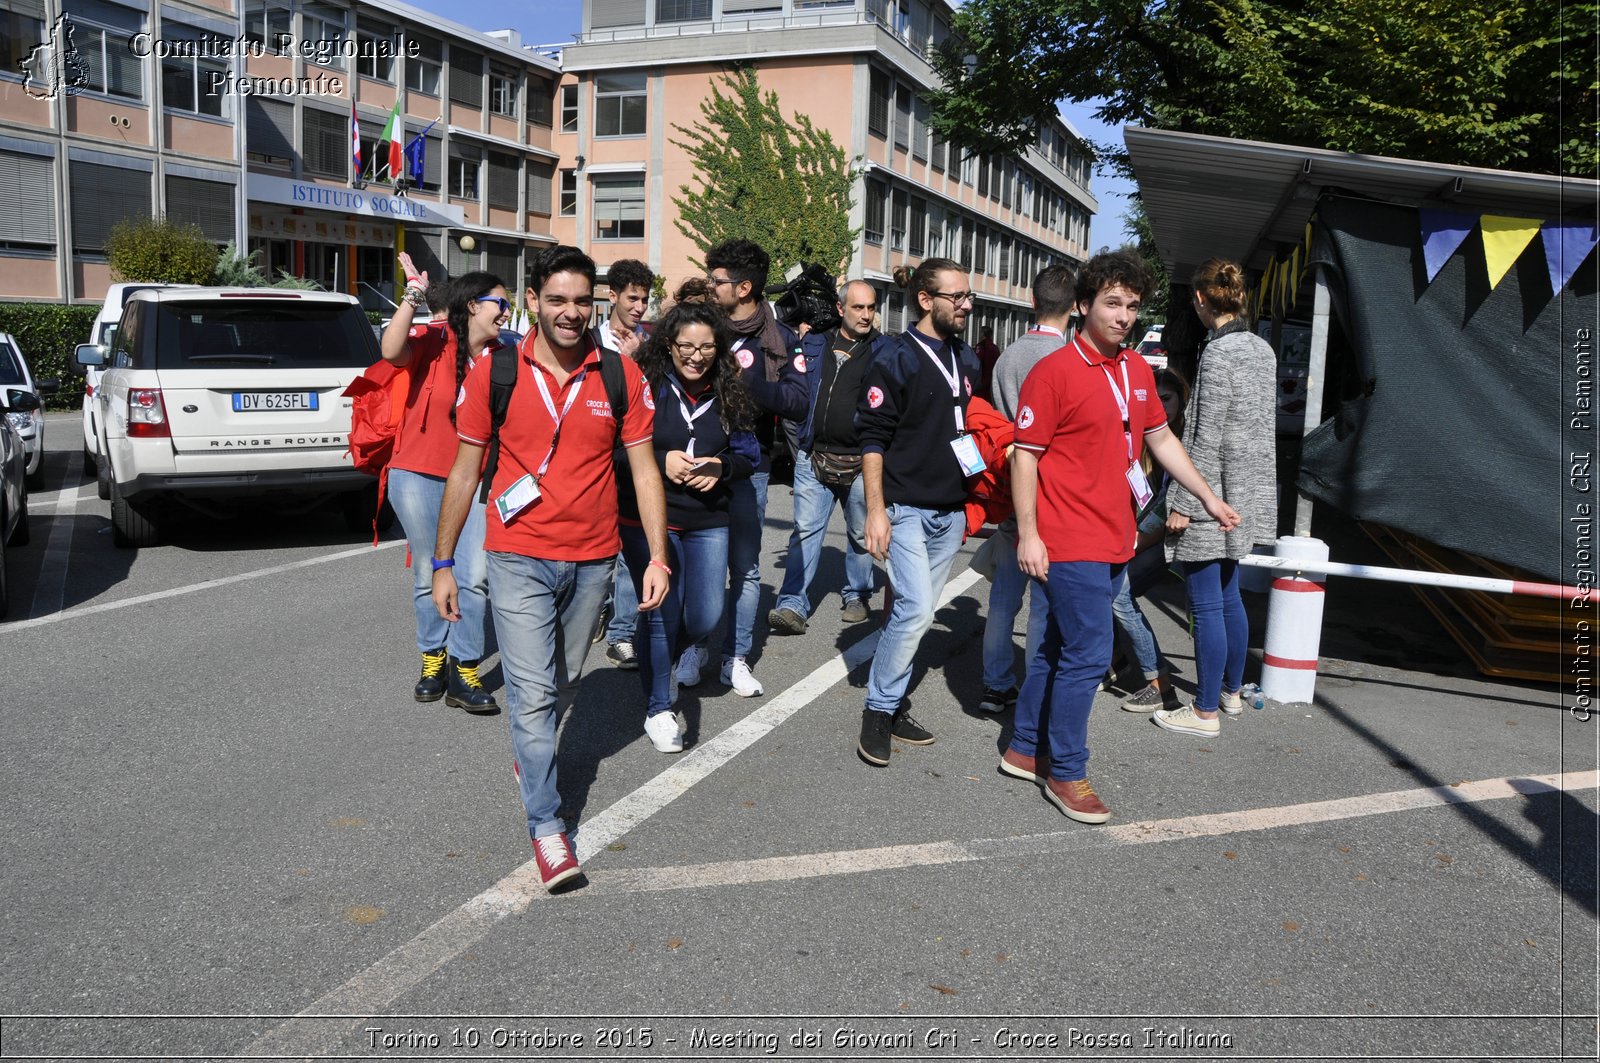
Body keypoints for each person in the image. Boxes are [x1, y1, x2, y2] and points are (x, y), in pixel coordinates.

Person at [431, 245, 670, 891]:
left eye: (581, 301)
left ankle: (530, 755)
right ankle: (547, 826)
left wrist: (657, 556)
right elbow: (464, 469)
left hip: (594, 561)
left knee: (562, 685)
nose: (570, 313)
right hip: (517, 554)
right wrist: (444, 560)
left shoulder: (619, 375)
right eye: (557, 299)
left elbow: (645, 469)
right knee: (534, 697)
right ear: (532, 300)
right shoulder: (494, 372)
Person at [1005, 250, 1239, 823]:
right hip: (1067, 536)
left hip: (1117, 533)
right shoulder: (1053, 372)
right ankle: (1067, 770)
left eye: (1133, 305)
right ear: (1083, 305)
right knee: (1087, 655)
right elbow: (1024, 458)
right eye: (1112, 303)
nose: (1124, 315)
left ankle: (1023, 747)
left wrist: (1207, 497)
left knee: (1060, 647)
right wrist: (1029, 535)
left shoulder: (1135, 369)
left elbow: (1160, 441)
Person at [855, 258, 982, 766]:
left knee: (918, 615)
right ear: (927, 300)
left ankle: (893, 697)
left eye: (969, 295)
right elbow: (872, 439)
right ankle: (879, 710)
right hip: (903, 508)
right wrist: (876, 511)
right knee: (913, 611)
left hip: (948, 513)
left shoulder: (968, 358)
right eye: (958, 297)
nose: (967, 305)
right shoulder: (895, 356)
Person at [619, 302, 759, 752]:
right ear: (668, 345)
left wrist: (722, 466)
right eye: (686, 346)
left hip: (708, 519)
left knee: (704, 615)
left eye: (706, 347)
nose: (696, 356)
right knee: (662, 612)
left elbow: (750, 455)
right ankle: (659, 708)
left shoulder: (729, 389)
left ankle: (657, 657)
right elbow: (616, 451)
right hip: (650, 519)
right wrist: (661, 461)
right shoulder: (646, 384)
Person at [1153, 259, 1279, 737]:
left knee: (1206, 602)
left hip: (1213, 493)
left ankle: (1204, 711)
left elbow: (1205, 436)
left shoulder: (1219, 355)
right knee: (1229, 597)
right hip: (1247, 491)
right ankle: (1229, 694)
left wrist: (1184, 503)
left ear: (1203, 300)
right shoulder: (1262, 350)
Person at [378, 257, 508, 713]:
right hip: (415, 474)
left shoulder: (504, 358)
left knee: (472, 575)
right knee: (427, 571)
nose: (505, 313)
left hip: (473, 481)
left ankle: (464, 668)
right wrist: (413, 295)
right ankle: (432, 659)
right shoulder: (435, 339)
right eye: (500, 303)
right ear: (472, 306)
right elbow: (390, 351)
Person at [689, 239, 807, 698]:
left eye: (716, 279)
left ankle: (734, 657)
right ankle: (693, 647)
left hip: (749, 465)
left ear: (743, 288)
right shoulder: (699, 327)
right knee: (698, 564)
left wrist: (750, 384)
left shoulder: (779, 339)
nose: (709, 285)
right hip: (695, 458)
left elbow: (797, 402)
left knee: (745, 567)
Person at [977, 263, 1076, 714]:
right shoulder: (1068, 361)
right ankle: (1037, 687)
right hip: (1052, 493)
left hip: (1009, 484)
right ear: (1075, 306)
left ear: (1033, 301)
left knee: (1003, 597)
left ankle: (995, 683)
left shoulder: (1007, 357)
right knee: (1042, 603)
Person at [768, 280, 889, 634]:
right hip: (813, 455)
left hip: (861, 460)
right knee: (804, 531)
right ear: (840, 309)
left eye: (870, 307)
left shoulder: (884, 350)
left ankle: (857, 595)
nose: (866, 315)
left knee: (859, 532)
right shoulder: (816, 342)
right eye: (858, 308)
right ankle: (792, 604)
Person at [1114, 367, 1189, 712]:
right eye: (1153, 398)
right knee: (1103, 587)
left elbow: (1166, 507)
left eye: (1167, 398)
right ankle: (1115, 660)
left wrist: (1133, 542)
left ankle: (1159, 683)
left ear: (1180, 399)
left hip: (1172, 537)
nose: (1160, 405)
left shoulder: (1183, 439)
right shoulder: (1137, 435)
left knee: (1119, 594)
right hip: (1138, 533)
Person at [595, 259, 657, 672]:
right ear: (612, 296)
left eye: (644, 299)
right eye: (632, 298)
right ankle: (598, 605)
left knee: (628, 549)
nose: (639, 307)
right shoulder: (589, 339)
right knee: (601, 547)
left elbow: (656, 396)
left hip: (633, 454)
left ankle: (621, 634)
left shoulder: (647, 342)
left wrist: (641, 358)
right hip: (597, 455)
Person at [973, 325, 1001, 401]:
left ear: (982, 334)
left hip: (982, 383)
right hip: (992, 382)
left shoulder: (981, 346)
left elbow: (976, 363)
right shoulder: (995, 348)